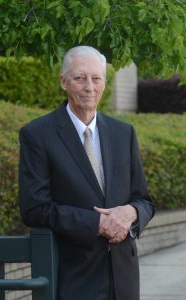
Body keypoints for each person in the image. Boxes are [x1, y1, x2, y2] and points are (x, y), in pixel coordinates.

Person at [19, 45, 155, 300]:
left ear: (105, 82)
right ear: (63, 81)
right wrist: (97, 223)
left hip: (124, 280)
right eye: (79, 78)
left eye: (96, 78)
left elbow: (144, 200)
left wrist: (132, 212)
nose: (89, 87)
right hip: (75, 279)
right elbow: (34, 207)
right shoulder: (37, 135)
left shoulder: (123, 133)